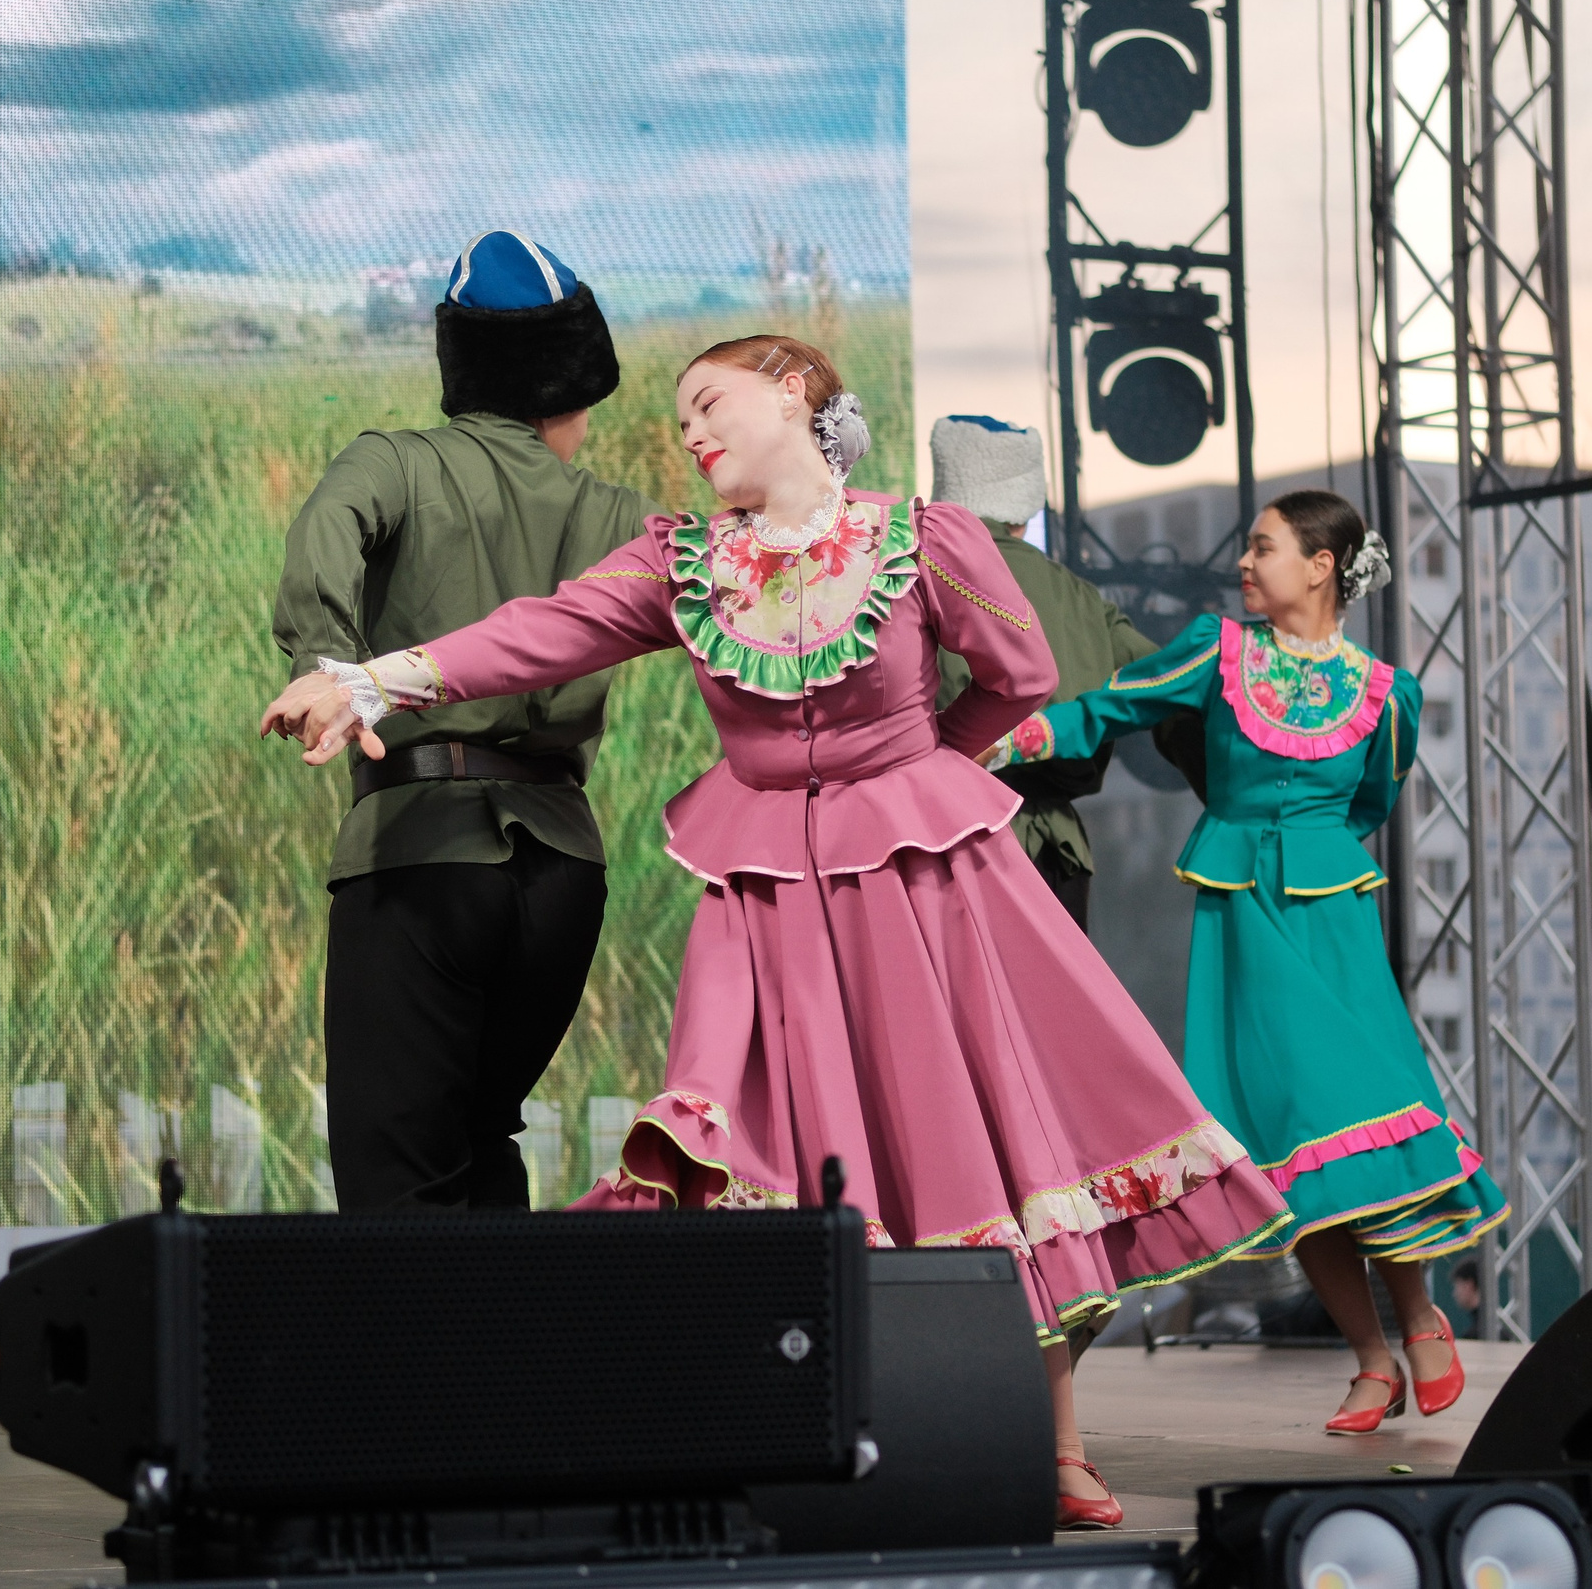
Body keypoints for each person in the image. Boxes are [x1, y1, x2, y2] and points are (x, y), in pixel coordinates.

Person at [264, 333, 1298, 1530]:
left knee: (978, 1138)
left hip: (928, 889)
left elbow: (1014, 677)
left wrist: (913, 777)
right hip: (766, 902)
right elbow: (540, 631)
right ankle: (790, 1436)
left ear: (798, 394)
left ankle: (1053, 1442)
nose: (690, 432)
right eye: (680, 418)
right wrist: (376, 681)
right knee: (752, 1148)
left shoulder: (922, 540)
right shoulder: (685, 562)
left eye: (709, 403)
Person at [1002, 488, 1507, 1436]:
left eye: (1265, 547)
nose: (1246, 561)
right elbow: (1110, 709)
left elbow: (1370, 800)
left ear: (1321, 565)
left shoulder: (1389, 694)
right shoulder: (1215, 650)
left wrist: (1299, 847)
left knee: (1369, 1119)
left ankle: (1418, 1314)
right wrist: (1010, 740)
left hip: (1331, 925)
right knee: (1284, 1151)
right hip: (1241, 924)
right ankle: (1370, 1359)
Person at [271, 230, 654, 1212]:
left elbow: (326, 536)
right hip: (565, 871)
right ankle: (504, 1365)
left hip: (420, 851)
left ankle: (420, 1370)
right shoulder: (617, 510)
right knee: (489, 1140)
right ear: (574, 389)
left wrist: (332, 667)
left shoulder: (393, 463)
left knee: (397, 1163)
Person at [927, 415, 1161, 930]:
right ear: (1027, 500)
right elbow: (1168, 680)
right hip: (1059, 853)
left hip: (946, 844)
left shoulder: (917, 575)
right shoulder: (1080, 596)